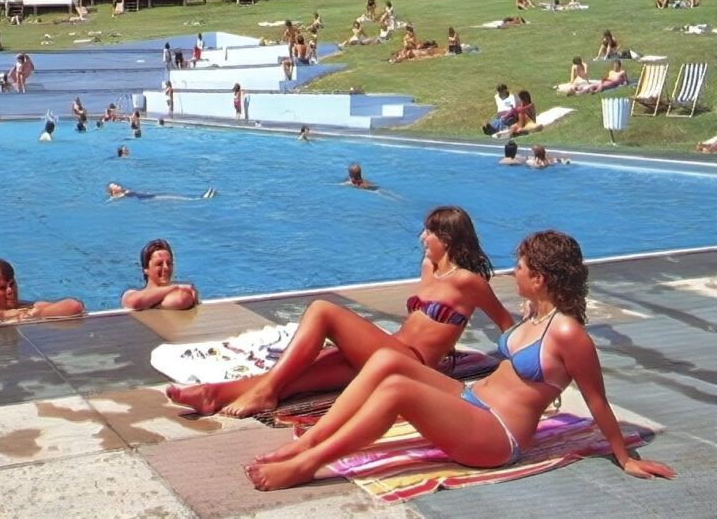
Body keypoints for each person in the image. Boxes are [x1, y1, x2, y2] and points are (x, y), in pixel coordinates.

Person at [244, 231, 674, 491]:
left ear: (539, 279)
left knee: (398, 388)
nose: (512, 273)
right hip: (470, 400)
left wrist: (625, 457)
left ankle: (306, 465)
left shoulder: (566, 332)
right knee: (383, 364)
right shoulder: (536, 315)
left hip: (496, 436)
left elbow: (597, 399)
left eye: (520, 267)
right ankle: (304, 444)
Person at [167, 206, 513, 417]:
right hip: (385, 350)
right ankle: (213, 395)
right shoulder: (428, 268)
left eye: (429, 232)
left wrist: (513, 370)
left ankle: (262, 392)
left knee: (323, 311)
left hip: (412, 363)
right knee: (295, 377)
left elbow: (505, 324)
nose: (422, 237)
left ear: (447, 239)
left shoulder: (468, 282)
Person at [0, 258, 84, 327]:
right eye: (2, 288)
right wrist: (5, 316)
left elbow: (74, 307)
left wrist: (35, 314)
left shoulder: (30, 308)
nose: (10, 291)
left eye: (12, 284)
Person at [121, 239, 199, 310]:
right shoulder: (130, 294)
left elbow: (182, 300)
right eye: (159, 264)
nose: (166, 268)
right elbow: (135, 302)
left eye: (169, 263)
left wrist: (148, 304)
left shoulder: (182, 293)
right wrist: (175, 287)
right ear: (146, 269)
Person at [107, 183, 216, 201]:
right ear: (113, 191)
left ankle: (199, 198)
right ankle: (199, 199)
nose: (118, 185)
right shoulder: (119, 195)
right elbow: (111, 199)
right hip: (149, 199)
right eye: (114, 186)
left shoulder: (125, 191)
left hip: (150, 196)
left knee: (171, 196)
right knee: (172, 198)